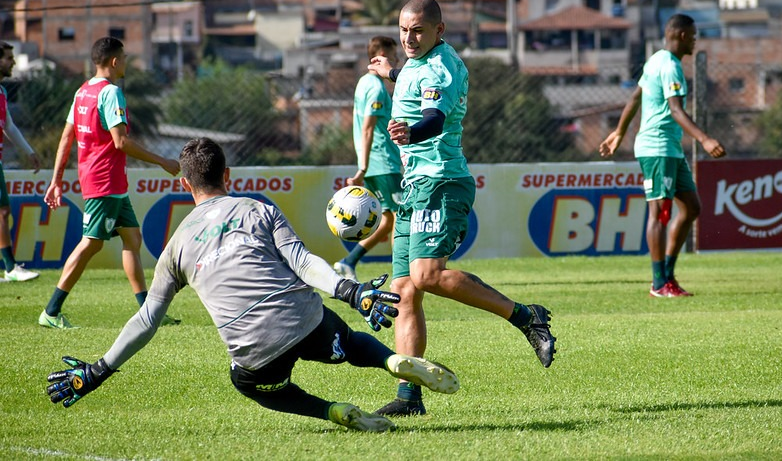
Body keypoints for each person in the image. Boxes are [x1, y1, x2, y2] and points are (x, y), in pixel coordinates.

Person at [46, 137, 460, 432]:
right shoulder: (257, 208)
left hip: (254, 349)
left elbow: (148, 319)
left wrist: (99, 369)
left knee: (251, 385)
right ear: (227, 174)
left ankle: (334, 411)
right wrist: (353, 292)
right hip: (304, 320)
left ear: (184, 184)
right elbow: (303, 263)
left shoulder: (174, 247)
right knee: (347, 340)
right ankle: (391, 362)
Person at [367, 0, 556, 417]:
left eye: (417, 30)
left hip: (441, 182)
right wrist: (392, 72)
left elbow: (433, 116)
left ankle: (526, 317)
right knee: (403, 292)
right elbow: (416, 83)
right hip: (413, 187)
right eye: (403, 29)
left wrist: (411, 133)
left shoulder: (440, 66)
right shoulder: (418, 64)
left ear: (439, 30)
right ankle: (408, 397)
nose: (408, 37)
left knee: (426, 275)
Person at [40, 36, 182, 329]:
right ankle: (51, 312)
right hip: (104, 180)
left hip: (108, 182)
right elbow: (120, 142)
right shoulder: (110, 93)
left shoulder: (83, 92)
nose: (127, 62)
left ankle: (148, 313)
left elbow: (67, 137)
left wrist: (56, 181)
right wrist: (163, 161)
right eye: (125, 57)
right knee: (90, 244)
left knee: (132, 239)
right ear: (115, 61)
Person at [599, 13, 726, 298]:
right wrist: (704, 139)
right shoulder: (669, 66)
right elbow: (677, 110)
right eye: (693, 35)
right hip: (657, 148)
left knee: (692, 207)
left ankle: (668, 276)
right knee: (660, 213)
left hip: (669, 149)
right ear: (681, 35)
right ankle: (659, 283)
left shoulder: (655, 59)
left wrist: (619, 132)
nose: (695, 40)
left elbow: (635, 98)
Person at [334, 36, 404, 280]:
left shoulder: (364, 83)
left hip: (377, 162)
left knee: (386, 221)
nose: (397, 62)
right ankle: (402, 275)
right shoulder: (375, 87)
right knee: (400, 217)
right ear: (381, 56)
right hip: (382, 162)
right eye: (394, 57)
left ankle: (348, 261)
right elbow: (368, 128)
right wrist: (362, 168)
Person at [0, 42, 42, 282]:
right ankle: (10, 267)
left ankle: (9, 266)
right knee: (2, 211)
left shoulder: (2, 92)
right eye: (8, 58)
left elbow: (9, 126)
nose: (13, 62)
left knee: (3, 211)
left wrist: (28, 151)